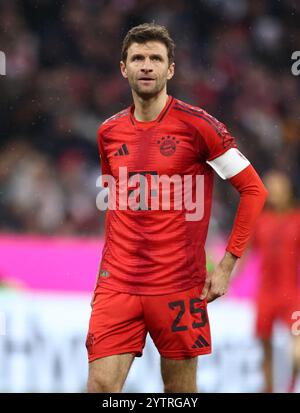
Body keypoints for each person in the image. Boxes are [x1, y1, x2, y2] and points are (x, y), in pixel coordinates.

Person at [86, 23, 267, 393]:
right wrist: (105, 273)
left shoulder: (200, 127)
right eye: (138, 58)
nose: (147, 65)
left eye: (156, 58)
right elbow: (116, 205)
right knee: (101, 387)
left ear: (170, 69)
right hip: (118, 284)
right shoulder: (108, 132)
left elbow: (253, 190)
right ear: (124, 68)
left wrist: (228, 265)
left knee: (180, 394)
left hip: (179, 286)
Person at [252, 170, 300, 393]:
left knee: (297, 349)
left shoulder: (297, 218)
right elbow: (243, 253)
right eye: (270, 186)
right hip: (266, 293)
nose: (274, 191)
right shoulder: (260, 221)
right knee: (264, 345)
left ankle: (290, 386)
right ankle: (268, 388)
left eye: (278, 186)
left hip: (293, 293)